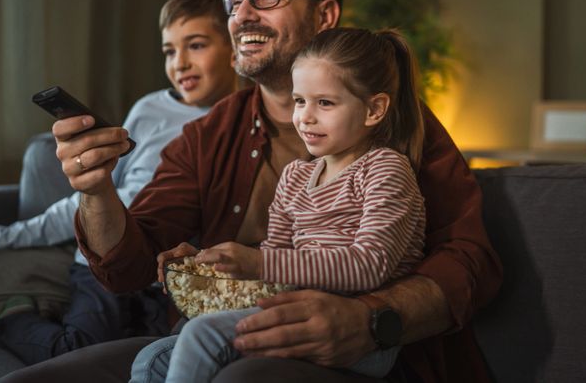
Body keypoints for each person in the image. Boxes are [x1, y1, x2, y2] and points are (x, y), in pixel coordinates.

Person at [0, 0, 502, 383]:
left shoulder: (397, 127)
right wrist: (96, 191)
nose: (241, 14)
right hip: (228, 333)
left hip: (361, 352)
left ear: (325, 15)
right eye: (235, 0)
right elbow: (127, 267)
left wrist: (371, 320)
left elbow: (470, 260)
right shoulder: (208, 135)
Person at [0, 0, 237, 364]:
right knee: (81, 351)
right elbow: (96, 193)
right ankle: (4, 318)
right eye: (169, 50)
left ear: (234, 46)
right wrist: (2, 237)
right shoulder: (150, 110)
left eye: (196, 46)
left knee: (143, 353)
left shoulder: (243, 121)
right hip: (104, 260)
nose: (179, 63)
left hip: (166, 277)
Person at [131, 27, 428, 383]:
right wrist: (212, 263)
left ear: (374, 109)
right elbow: (275, 261)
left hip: (359, 337)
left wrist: (258, 261)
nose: (306, 116)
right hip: (296, 309)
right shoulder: (296, 177)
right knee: (152, 360)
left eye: (326, 102)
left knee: (200, 337)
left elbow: (369, 266)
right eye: (300, 100)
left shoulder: (385, 169)